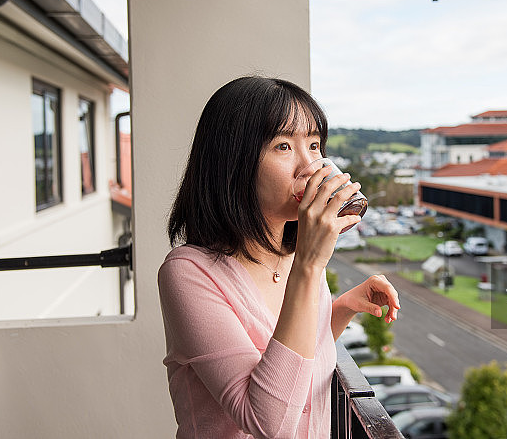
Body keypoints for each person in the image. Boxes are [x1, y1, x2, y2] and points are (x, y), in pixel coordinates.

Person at [158, 76, 400, 439]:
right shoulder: (187, 274)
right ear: (233, 163)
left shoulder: (295, 256)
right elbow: (268, 421)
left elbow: (291, 360)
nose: (310, 166)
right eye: (284, 146)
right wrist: (309, 265)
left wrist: (342, 307)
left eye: (315, 145)